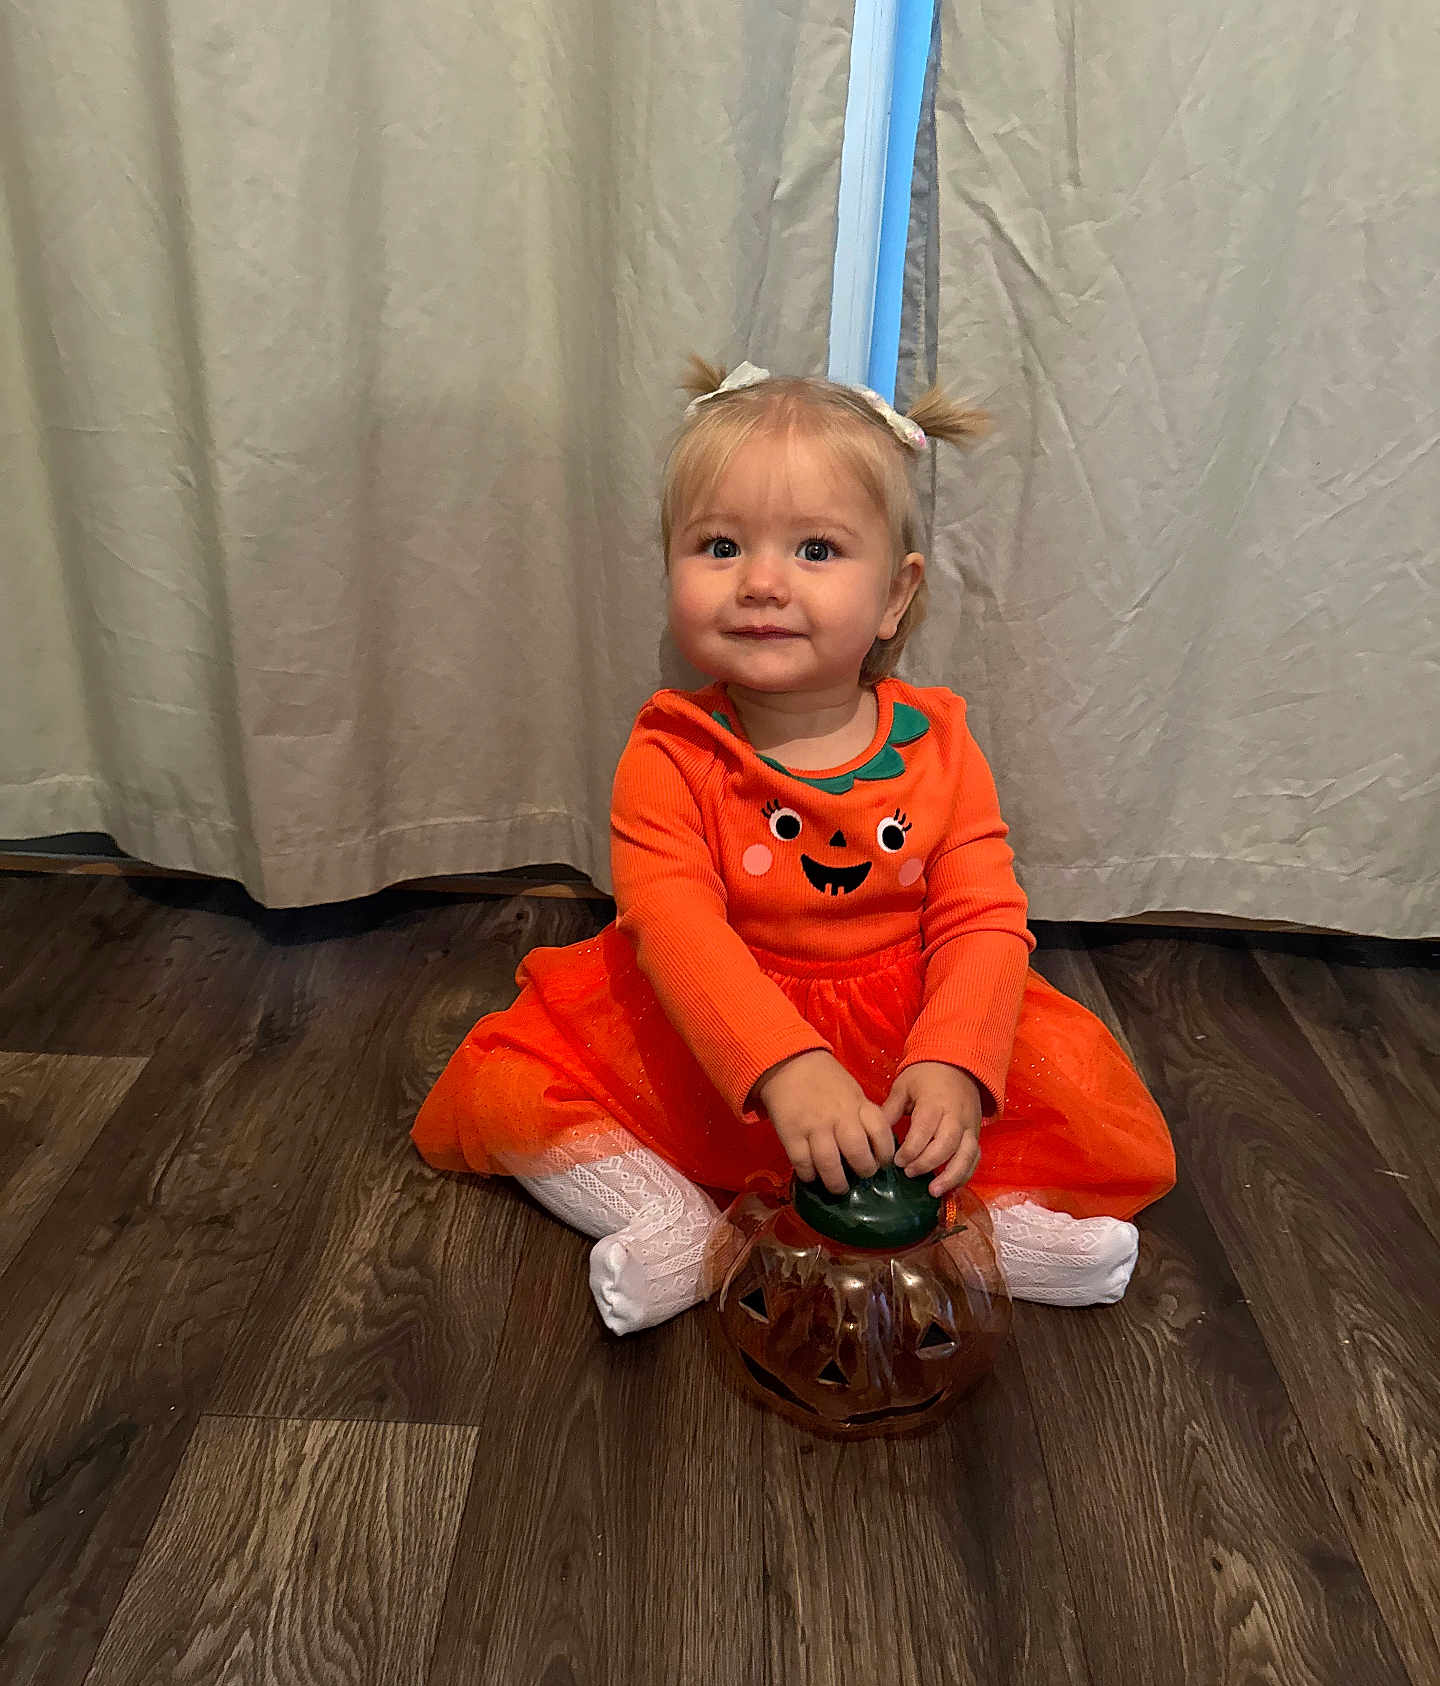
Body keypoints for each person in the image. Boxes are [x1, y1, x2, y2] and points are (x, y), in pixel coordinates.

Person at [413, 359, 1175, 1332]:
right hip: (714, 1034)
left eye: (816, 549)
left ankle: (979, 1235)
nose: (762, 581)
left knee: (1044, 1107)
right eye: (720, 545)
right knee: (514, 1087)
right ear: (671, 568)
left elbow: (983, 914)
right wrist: (781, 1065)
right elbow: (675, 928)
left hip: (904, 1034)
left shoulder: (941, 743)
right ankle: (675, 1223)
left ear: (895, 596)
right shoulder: (670, 752)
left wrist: (955, 1058)